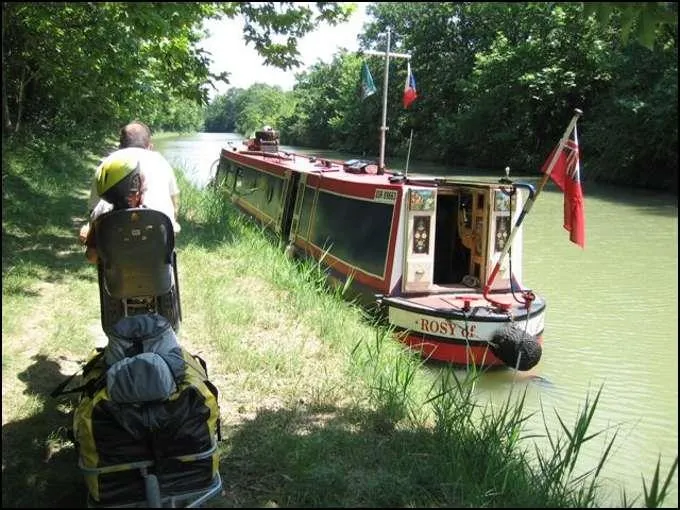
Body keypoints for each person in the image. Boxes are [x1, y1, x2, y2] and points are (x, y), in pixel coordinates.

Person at [79, 121, 180, 243]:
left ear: (120, 146)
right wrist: (173, 223)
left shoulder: (107, 164)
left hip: (114, 246)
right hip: (157, 246)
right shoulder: (161, 162)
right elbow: (175, 203)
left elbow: (93, 209)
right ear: (150, 146)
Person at [83, 150, 144, 263]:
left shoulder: (101, 211)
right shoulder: (154, 205)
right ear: (136, 182)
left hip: (116, 278)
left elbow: (92, 256)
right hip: (156, 278)